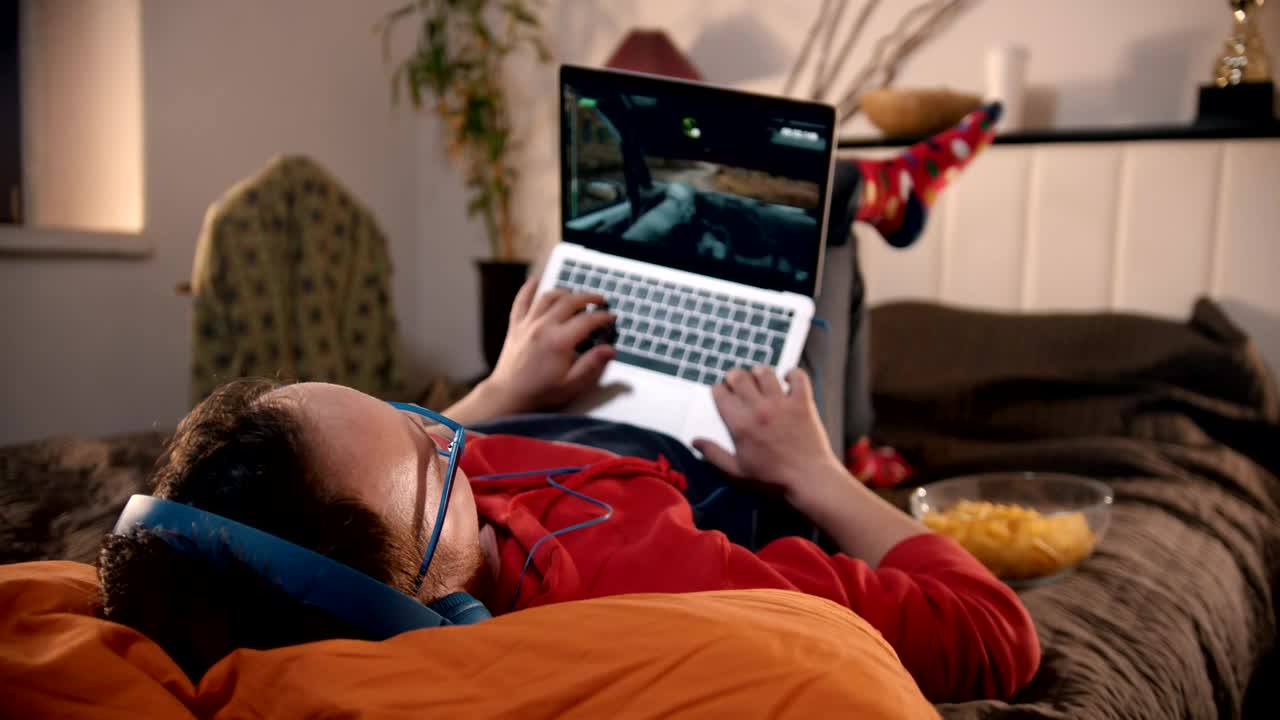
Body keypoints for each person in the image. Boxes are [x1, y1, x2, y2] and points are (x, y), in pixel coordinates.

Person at [99, 104, 1038, 704]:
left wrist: (506, 386)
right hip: (752, 449)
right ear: (435, 606)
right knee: (812, 261)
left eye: (407, 409)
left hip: (564, 396)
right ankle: (878, 195)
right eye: (435, 459)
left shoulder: (394, 513)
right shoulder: (668, 590)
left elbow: (413, 461)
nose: (453, 430)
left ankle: (871, 198)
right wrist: (817, 474)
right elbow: (995, 634)